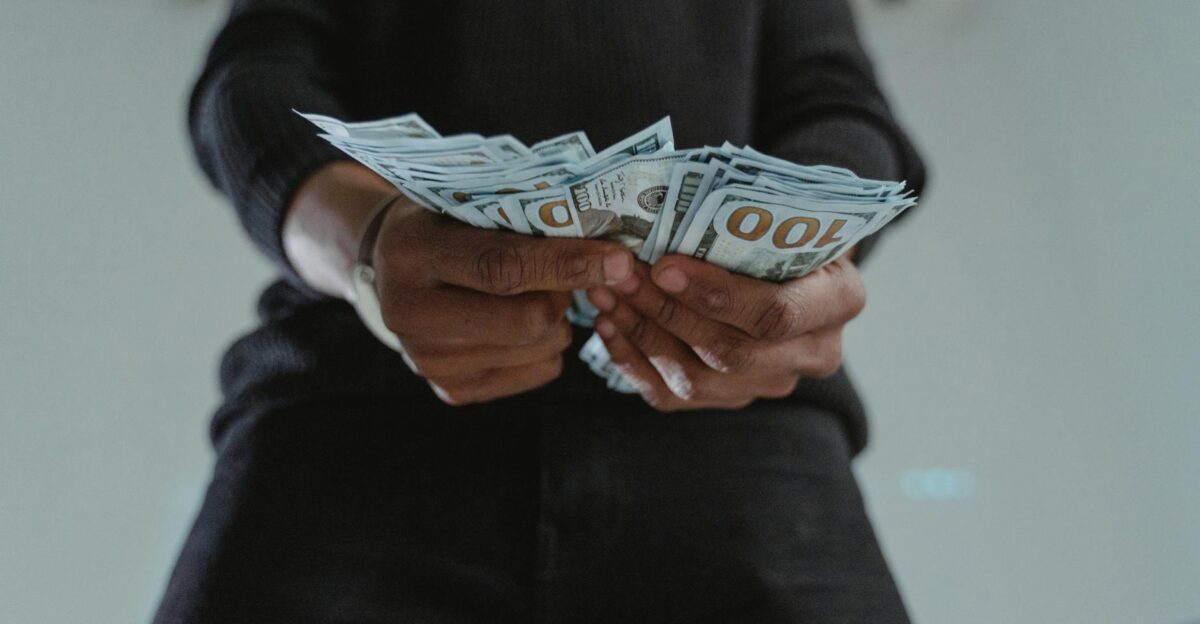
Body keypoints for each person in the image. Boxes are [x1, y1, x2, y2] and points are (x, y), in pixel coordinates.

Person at [155, 1, 927, 622]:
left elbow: (837, 104)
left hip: (742, 435)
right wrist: (368, 245)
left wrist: (802, 270)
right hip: (353, 421)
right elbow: (256, 78)